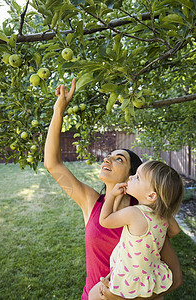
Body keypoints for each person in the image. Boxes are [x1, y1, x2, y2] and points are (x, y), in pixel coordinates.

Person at [44, 79, 183, 300]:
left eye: (119, 159)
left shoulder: (146, 216)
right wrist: (58, 110)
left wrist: (118, 296)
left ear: (132, 177)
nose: (107, 158)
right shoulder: (92, 203)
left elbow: (173, 280)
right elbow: (53, 165)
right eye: (109, 155)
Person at [89, 161, 183, 299]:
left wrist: (112, 195)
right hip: (149, 279)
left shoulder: (134, 213)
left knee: (93, 295)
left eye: (137, 177)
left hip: (129, 281)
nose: (131, 177)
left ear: (151, 196)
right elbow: (175, 231)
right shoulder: (163, 217)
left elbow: (104, 220)